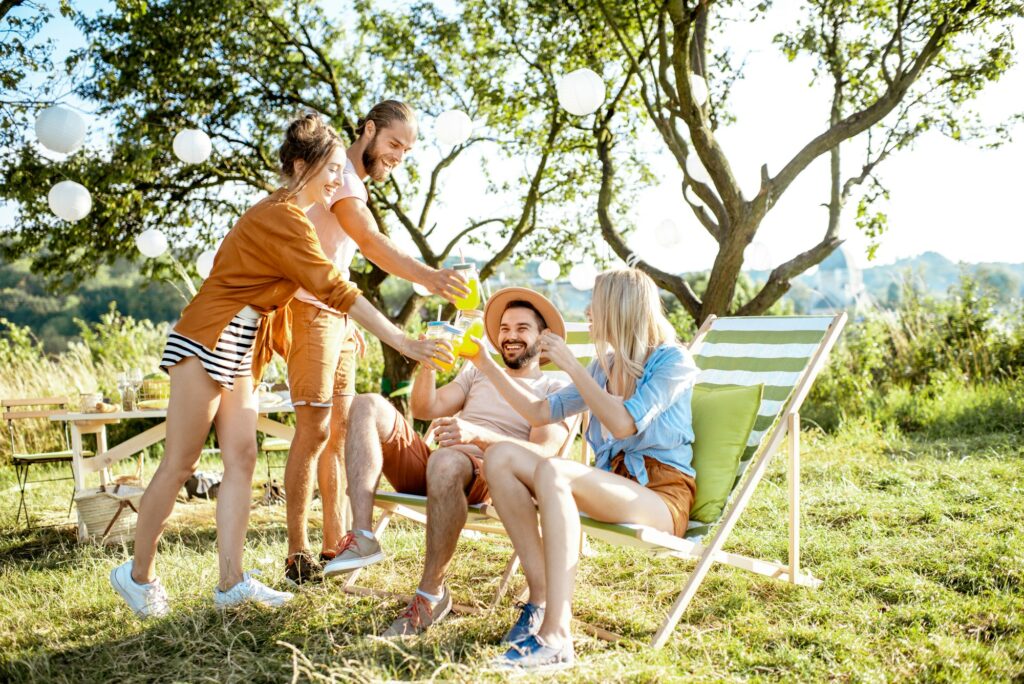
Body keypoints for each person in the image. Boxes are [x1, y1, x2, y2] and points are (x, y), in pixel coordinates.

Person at [108, 113, 452, 618]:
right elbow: (335, 289)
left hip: (242, 349)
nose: (339, 180)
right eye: (331, 170)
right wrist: (403, 340)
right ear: (298, 166)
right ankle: (137, 576)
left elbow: (330, 289)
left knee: (242, 459)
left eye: (341, 171)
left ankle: (231, 583)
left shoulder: (295, 217)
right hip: (207, 338)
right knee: (180, 463)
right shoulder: (283, 216)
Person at [465, 269, 699, 672]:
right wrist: (487, 367)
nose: (589, 312)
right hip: (615, 485)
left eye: (596, 303)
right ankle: (538, 600)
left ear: (619, 308)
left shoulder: (672, 361)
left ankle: (556, 635)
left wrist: (572, 366)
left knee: (556, 471)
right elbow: (541, 410)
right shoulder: (603, 365)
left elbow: (625, 423)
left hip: (661, 497)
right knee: (502, 456)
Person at [282, 100, 469, 586]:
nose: (398, 157)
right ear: (367, 131)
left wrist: (352, 327)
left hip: (337, 318)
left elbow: (339, 260)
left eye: (406, 151)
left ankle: (334, 543)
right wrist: (428, 276)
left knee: (338, 436)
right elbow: (368, 241)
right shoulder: (338, 171)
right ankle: (297, 553)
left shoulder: (353, 181)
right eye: (393, 144)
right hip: (310, 312)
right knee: (314, 433)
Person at [326, 288, 571, 637]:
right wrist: (427, 366)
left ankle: (431, 595)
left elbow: (542, 454)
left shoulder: (555, 386)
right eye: (504, 328)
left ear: (542, 337)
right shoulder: (477, 374)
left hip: (488, 476)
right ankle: (363, 535)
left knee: (446, 461)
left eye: (521, 328)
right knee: (366, 404)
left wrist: (476, 436)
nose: (510, 336)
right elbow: (425, 410)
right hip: (438, 464)